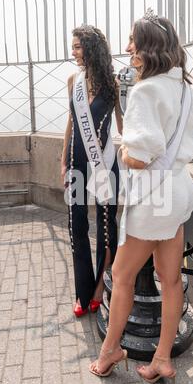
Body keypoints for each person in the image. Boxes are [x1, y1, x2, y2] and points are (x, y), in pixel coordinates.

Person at [89, 10, 193, 384]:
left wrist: (121, 147)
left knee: (121, 276)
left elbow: (141, 155)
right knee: (169, 279)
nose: (127, 48)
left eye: (133, 40)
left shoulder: (146, 90)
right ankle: (163, 360)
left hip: (153, 200)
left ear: (149, 46)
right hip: (180, 190)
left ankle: (109, 354)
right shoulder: (186, 87)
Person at [61, 25, 122, 317]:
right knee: (77, 226)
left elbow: (122, 127)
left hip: (104, 162)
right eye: (73, 47)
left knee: (106, 227)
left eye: (77, 46)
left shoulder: (112, 83)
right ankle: (82, 293)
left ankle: (99, 286)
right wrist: (63, 160)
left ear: (92, 48)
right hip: (76, 159)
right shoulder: (73, 80)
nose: (73, 52)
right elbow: (71, 124)